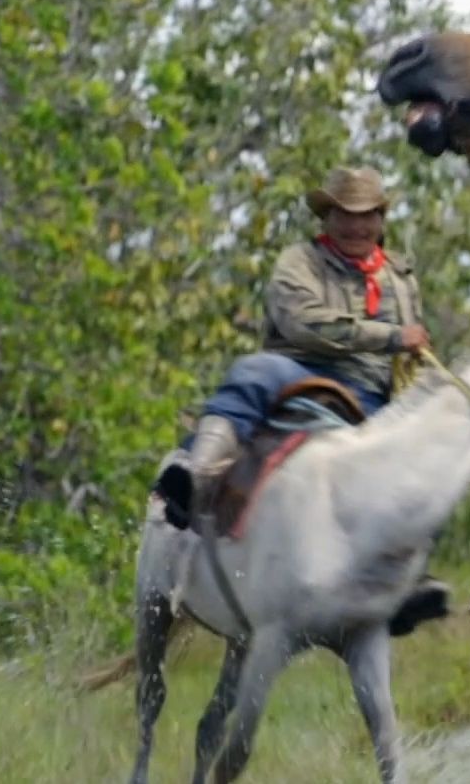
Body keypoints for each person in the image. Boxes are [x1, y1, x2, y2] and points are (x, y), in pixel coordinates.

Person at [156, 166, 447, 622]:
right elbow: (304, 323)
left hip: (373, 395)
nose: (357, 226)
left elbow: (412, 347)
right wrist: (392, 336)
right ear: (326, 217)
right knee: (252, 371)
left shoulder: (400, 276)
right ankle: (196, 477)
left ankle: (408, 575)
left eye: (366, 215)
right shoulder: (298, 262)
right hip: (298, 371)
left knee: (436, 451)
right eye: (345, 215)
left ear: (381, 218)